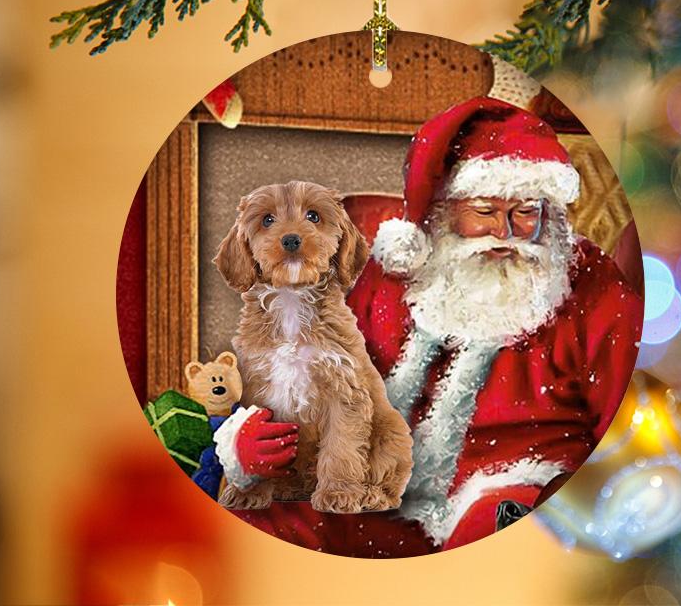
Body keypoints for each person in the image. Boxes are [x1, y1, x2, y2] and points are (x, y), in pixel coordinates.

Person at [215, 96, 643, 556]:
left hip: (516, 487)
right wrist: (246, 446)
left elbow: (628, 429)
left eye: (526, 212)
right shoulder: (393, 274)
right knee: (262, 527)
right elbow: (325, 386)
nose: (507, 231)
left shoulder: (589, 286)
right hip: (387, 494)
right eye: (484, 211)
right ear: (445, 210)